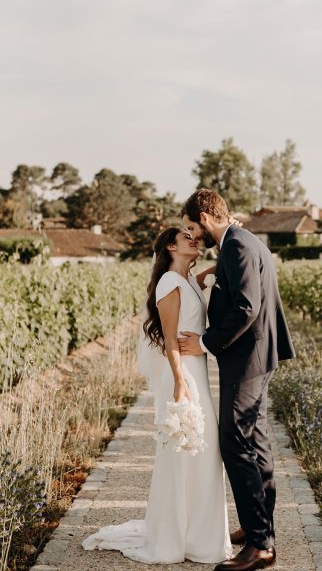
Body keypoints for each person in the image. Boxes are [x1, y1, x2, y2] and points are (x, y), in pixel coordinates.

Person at [81, 226, 233, 564]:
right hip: (183, 375)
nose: (194, 240)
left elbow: (214, 276)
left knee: (203, 456)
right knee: (183, 454)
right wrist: (180, 381)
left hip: (197, 371)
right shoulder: (169, 283)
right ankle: (175, 537)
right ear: (169, 246)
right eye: (186, 238)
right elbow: (168, 338)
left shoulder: (189, 281)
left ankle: (199, 536)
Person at [179, 189, 296, 571]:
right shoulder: (239, 241)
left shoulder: (236, 246)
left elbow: (247, 306)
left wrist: (206, 342)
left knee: (235, 443)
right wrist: (215, 272)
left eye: (192, 227)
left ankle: (261, 546)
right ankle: (257, 527)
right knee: (256, 443)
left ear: (205, 217)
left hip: (246, 359)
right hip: (256, 356)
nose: (193, 236)